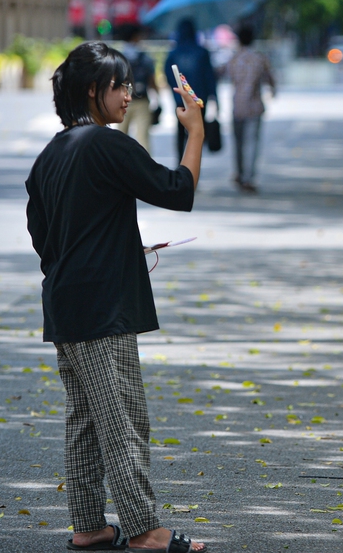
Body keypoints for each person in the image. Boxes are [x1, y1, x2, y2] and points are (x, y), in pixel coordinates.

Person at [25, 41, 207, 553]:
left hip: (65, 306)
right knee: (123, 418)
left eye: (129, 85)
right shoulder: (106, 144)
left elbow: (44, 237)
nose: (128, 96)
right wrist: (195, 131)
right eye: (119, 86)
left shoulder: (51, 155)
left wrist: (109, 246)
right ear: (91, 91)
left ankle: (89, 526)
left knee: (85, 420)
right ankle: (145, 530)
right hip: (103, 311)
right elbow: (178, 190)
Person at [224, 25, 276, 193]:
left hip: (237, 106)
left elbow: (228, 77)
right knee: (252, 143)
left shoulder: (234, 59)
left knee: (238, 143)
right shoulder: (259, 58)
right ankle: (249, 177)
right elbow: (270, 79)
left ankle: (239, 173)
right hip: (254, 106)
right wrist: (273, 91)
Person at [164, 18, 218, 167]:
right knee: (197, 133)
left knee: (181, 132)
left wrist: (175, 94)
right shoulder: (202, 52)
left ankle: (181, 163)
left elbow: (168, 75)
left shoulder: (174, 53)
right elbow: (210, 77)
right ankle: (194, 166)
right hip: (199, 100)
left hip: (180, 100)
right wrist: (215, 99)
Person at [117, 23, 159, 153]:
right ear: (135, 37)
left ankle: (118, 168)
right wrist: (158, 95)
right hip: (142, 100)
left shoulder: (118, 56)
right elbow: (152, 79)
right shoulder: (144, 56)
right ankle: (146, 169)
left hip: (122, 101)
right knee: (143, 138)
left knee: (120, 137)